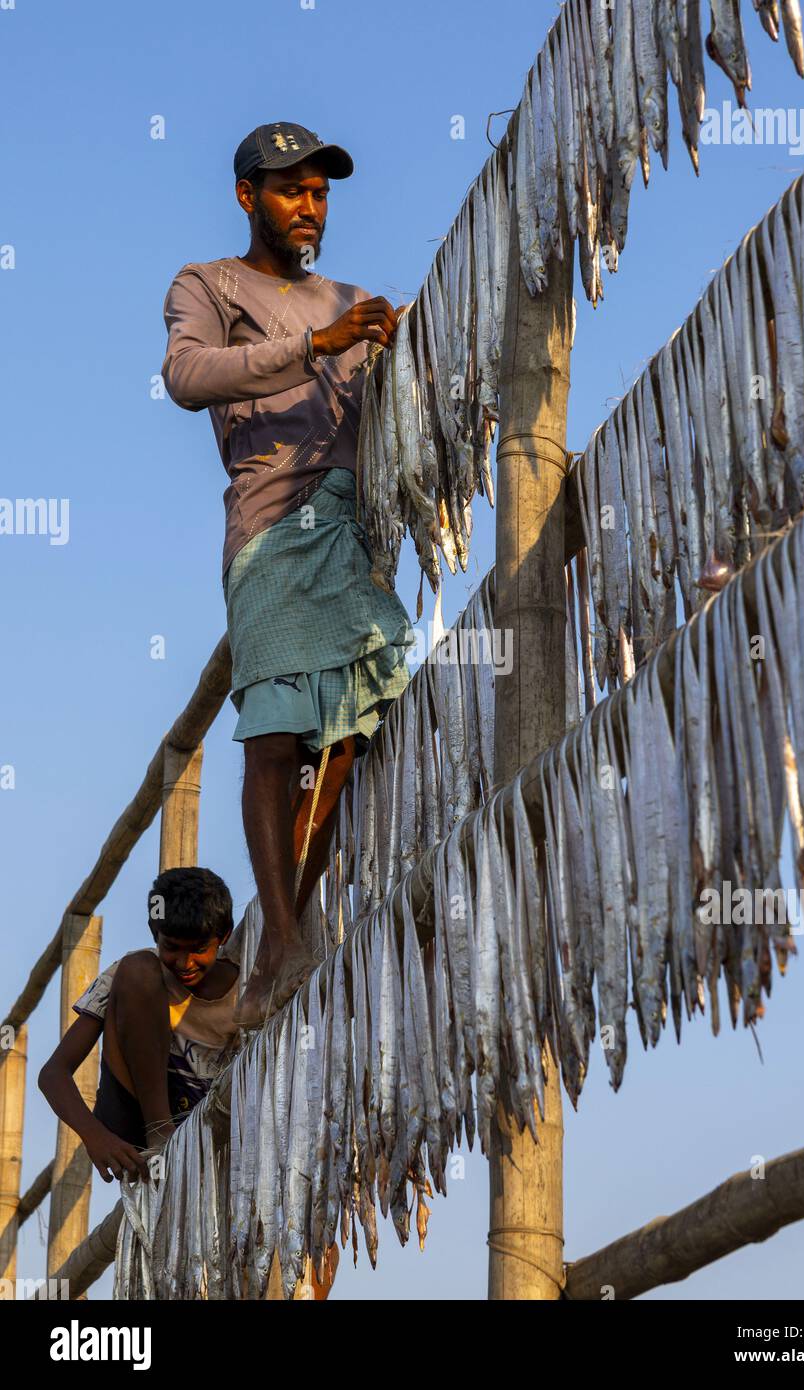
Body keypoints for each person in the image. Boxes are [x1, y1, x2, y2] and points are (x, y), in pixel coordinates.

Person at [161, 122, 415, 1027]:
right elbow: (187, 375)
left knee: (349, 726)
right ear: (247, 197)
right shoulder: (210, 284)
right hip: (270, 524)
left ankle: (284, 931)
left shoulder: (347, 298)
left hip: (348, 529)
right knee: (274, 737)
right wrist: (316, 345)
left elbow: (390, 397)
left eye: (319, 192)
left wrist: (395, 348)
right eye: (289, 191)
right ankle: (281, 927)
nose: (308, 206)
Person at [38, 867, 241, 1183]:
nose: (185, 963)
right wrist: (95, 1136)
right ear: (154, 932)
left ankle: (178, 1140)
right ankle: (160, 1132)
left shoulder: (245, 990)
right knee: (137, 969)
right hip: (136, 1128)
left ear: (224, 937)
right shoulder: (132, 975)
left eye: (199, 949)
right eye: (171, 947)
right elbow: (53, 1073)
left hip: (208, 1126)